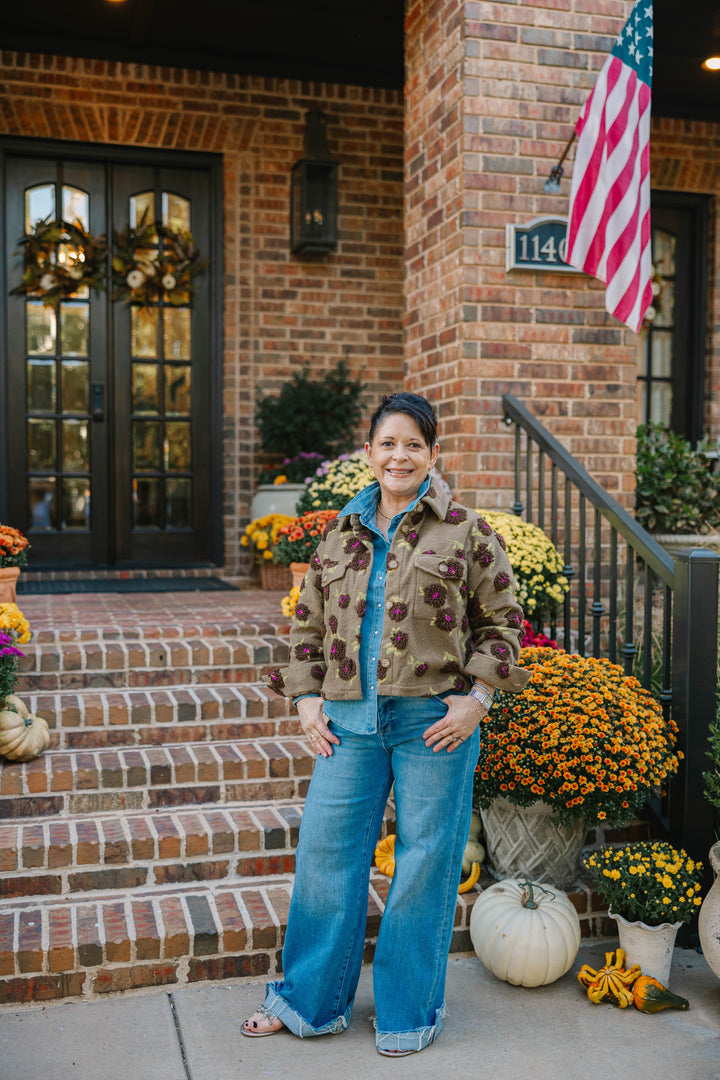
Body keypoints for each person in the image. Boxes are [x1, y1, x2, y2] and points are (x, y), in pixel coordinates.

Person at [242, 391, 529, 1056]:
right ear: (369, 453)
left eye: (414, 445)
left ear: (433, 455)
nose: (400, 455)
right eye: (388, 443)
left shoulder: (466, 529)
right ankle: (310, 1003)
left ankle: (407, 1010)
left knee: (424, 867)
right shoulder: (339, 533)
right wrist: (306, 701)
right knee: (325, 858)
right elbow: (307, 622)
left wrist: (477, 699)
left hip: (435, 721)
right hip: (347, 720)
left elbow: (505, 621)